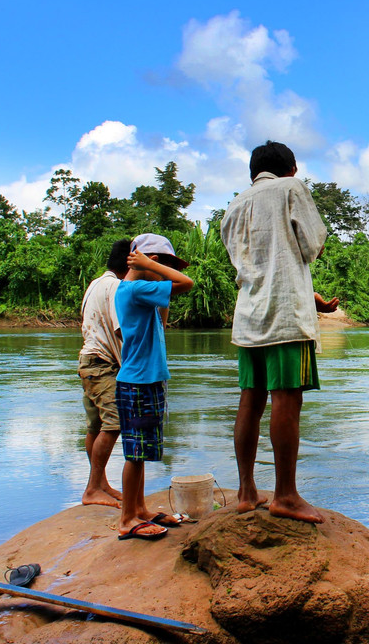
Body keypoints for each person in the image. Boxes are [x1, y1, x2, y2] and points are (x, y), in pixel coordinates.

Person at [221, 140, 336, 524]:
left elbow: (254, 262)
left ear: (254, 172)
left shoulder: (235, 204)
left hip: (250, 315)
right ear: (290, 169)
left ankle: (245, 491)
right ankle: (285, 495)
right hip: (286, 316)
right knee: (287, 400)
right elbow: (310, 245)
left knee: (250, 400)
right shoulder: (291, 189)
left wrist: (309, 293)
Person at [113, 233, 194, 541]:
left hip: (145, 379)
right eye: (162, 265)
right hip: (138, 381)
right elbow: (186, 283)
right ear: (151, 262)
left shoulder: (141, 292)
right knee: (135, 454)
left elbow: (163, 317)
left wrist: (154, 270)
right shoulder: (135, 288)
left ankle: (139, 508)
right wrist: (152, 267)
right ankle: (127, 519)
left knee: (142, 451)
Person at [77, 238, 130, 508]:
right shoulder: (116, 287)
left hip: (88, 361)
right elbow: (120, 330)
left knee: (95, 425)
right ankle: (92, 488)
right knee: (115, 423)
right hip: (103, 364)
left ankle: (100, 484)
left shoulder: (95, 283)